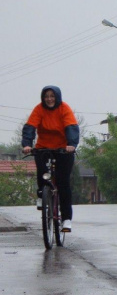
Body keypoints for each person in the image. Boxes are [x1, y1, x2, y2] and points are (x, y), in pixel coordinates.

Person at [22, 86, 79, 232]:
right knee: (42, 171)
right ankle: (42, 193)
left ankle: (66, 219)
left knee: (63, 182)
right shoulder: (39, 109)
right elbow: (30, 127)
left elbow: (71, 127)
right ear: (43, 97)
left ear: (57, 97)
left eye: (52, 96)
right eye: (46, 96)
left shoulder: (64, 108)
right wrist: (27, 144)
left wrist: (71, 144)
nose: (49, 99)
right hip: (44, 147)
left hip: (63, 149)